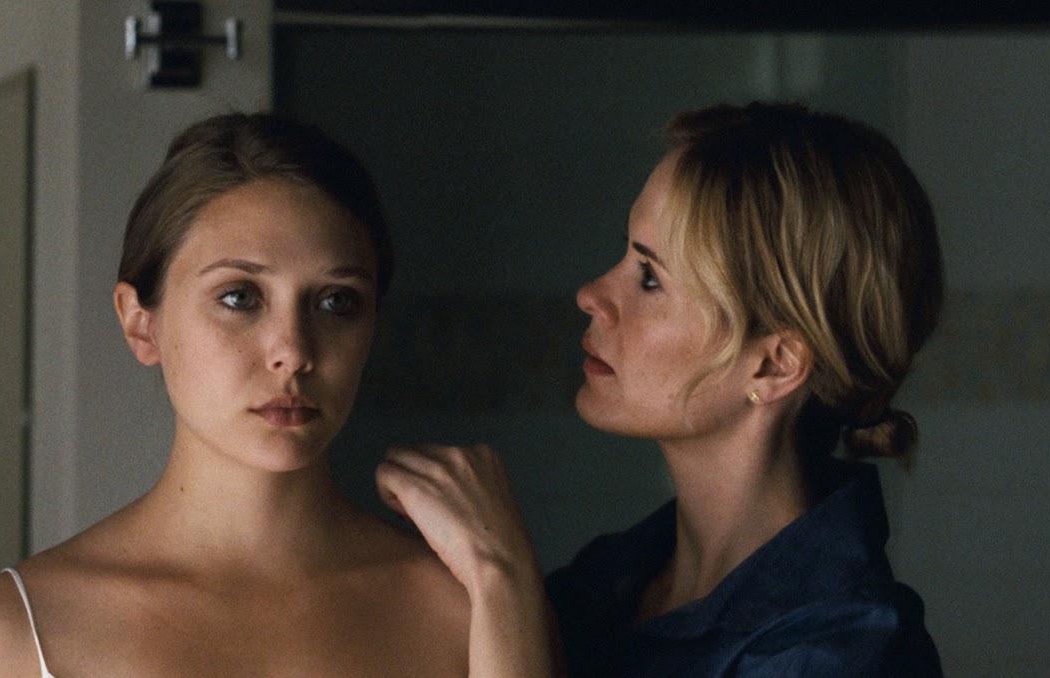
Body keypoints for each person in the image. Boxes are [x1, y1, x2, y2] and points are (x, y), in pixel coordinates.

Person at [377, 101, 943, 676]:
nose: (591, 295)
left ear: (772, 366)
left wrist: (500, 575)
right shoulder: (611, 581)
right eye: (625, 253)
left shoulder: (848, 652)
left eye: (649, 278)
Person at [0, 113, 469, 677]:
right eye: (239, 297)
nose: (293, 352)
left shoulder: (462, 605)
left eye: (336, 302)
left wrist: (503, 574)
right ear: (141, 325)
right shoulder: (18, 631)